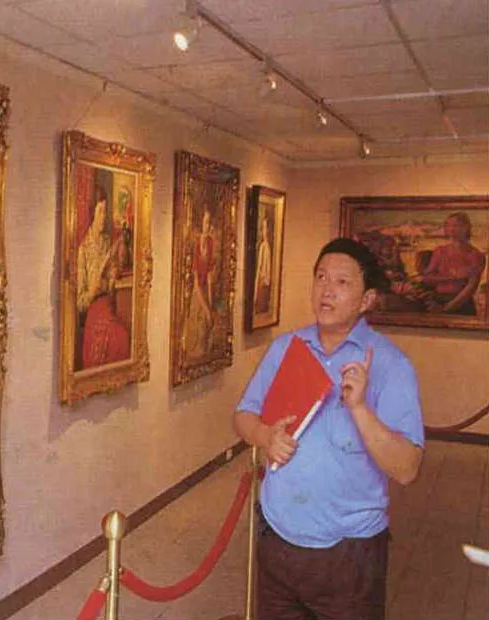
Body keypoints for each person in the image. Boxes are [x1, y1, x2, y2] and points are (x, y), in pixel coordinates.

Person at [233, 237, 424, 620]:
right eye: (321, 277)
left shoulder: (390, 364)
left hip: (349, 553)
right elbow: (244, 414)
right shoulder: (286, 347)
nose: (326, 290)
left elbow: (407, 469)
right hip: (278, 538)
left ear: (367, 300)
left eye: (342, 281)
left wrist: (359, 408)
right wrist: (265, 437)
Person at [76, 186, 130, 369]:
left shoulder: (108, 242)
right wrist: (92, 290)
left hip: (110, 304)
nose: (103, 217)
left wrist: (112, 277)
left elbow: (113, 279)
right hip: (94, 311)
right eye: (100, 212)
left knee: (125, 334)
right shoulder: (83, 250)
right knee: (119, 337)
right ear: (92, 214)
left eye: (105, 212)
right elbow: (79, 303)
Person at [415, 212, 486, 315]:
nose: (451, 229)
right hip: (437, 300)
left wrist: (445, 309)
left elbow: (470, 289)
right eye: (448, 225)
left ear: (466, 228)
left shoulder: (475, 255)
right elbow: (427, 278)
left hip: (461, 305)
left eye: (456, 225)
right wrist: (452, 277)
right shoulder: (440, 251)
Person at [182, 207, 216, 361]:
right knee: (200, 326)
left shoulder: (210, 243)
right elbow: (196, 285)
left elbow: (209, 277)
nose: (208, 226)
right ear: (201, 223)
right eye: (206, 222)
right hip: (197, 294)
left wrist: (211, 304)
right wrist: (206, 309)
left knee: (210, 321)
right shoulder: (196, 245)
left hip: (205, 290)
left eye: (210, 223)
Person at [253, 216, 272, 315]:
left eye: (266, 228)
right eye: (263, 228)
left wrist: (263, 279)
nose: (265, 231)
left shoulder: (266, 247)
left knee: (261, 307)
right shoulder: (262, 246)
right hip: (260, 281)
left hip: (263, 282)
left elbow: (265, 267)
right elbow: (259, 266)